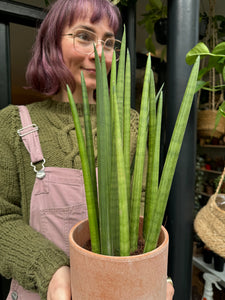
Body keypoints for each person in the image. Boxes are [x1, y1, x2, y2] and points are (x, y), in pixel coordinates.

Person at [0, 0, 174, 299]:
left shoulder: (130, 124)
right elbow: (3, 218)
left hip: (117, 288)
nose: (99, 52)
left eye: (108, 42)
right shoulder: (13, 123)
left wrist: (148, 270)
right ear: (53, 42)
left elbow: (145, 208)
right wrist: (52, 271)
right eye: (84, 36)